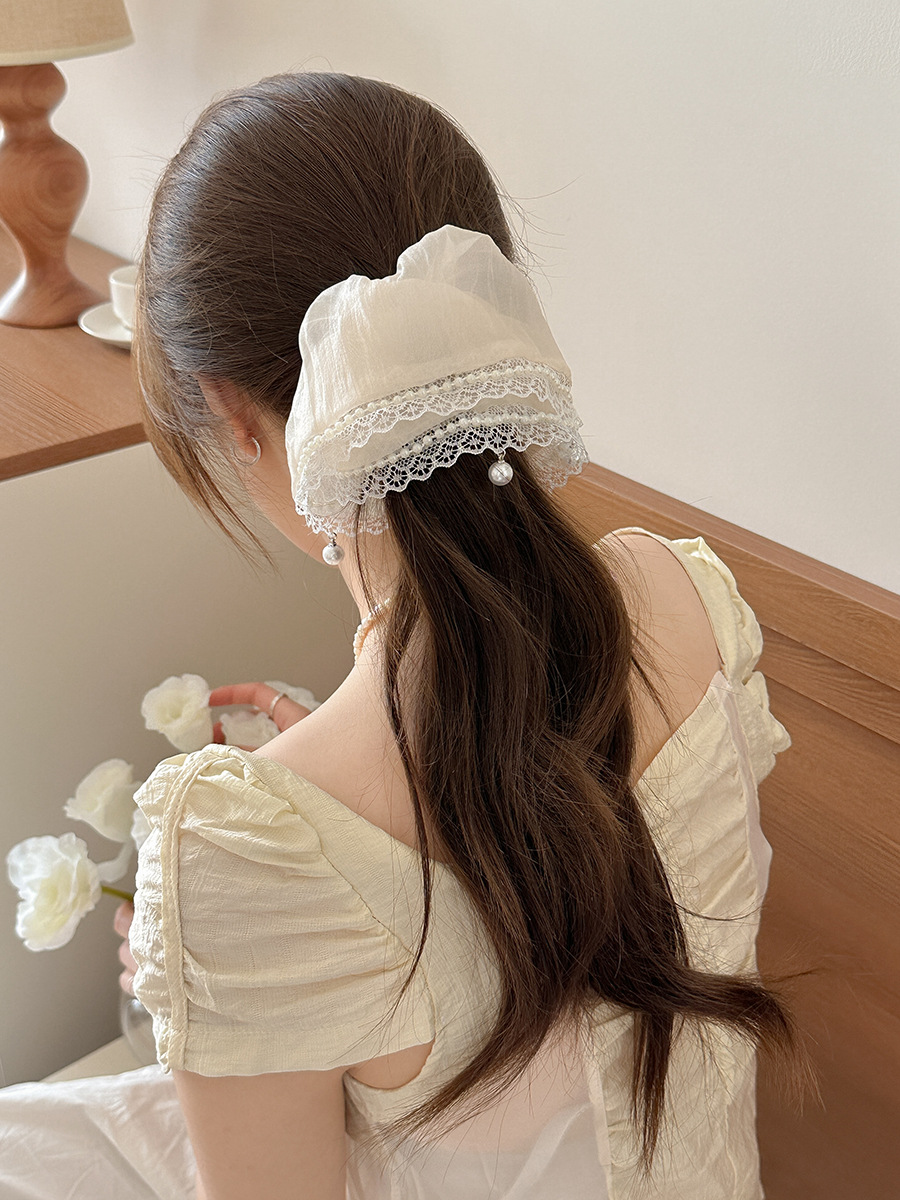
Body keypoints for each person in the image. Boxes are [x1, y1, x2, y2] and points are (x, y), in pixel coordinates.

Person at [0, 71, 806, 1200]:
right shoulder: (683, 596)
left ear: (229, 411)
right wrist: (300, 818)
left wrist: (244, 900)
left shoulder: (236, 845)